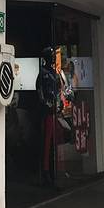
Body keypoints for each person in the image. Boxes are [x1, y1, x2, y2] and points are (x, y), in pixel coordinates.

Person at [36, 46, 61, 187]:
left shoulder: (54, 72)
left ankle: (53, 168)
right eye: (50, 56)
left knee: (54, 140)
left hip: (54, 110)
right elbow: (39, 91)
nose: (52, 58)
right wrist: (46, 104)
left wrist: (58, 104)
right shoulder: (42, 73)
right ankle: (45, 171)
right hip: (46, 111)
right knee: (46, 141)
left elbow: (58, 90)